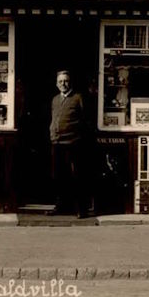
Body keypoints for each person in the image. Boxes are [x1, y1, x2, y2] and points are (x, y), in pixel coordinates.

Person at [49, 70, 91, 217]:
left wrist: (79, 137)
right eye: (60, 81)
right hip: (57, 142)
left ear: (70, 82)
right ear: (56, 84)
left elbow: (86, 120)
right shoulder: (55, 99)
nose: (63, 84)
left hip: (74, 143)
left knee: (76, 176)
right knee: (58, 176)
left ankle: (81, 209)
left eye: (65, 81)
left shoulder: (78, 97)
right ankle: (61, 206)